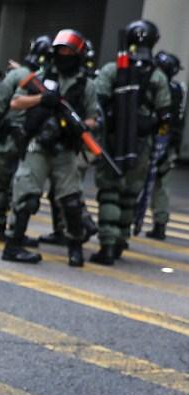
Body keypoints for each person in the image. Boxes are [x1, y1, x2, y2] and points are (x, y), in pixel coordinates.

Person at [0, 30, 98, 268]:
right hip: (38, 145)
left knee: (71, 201)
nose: (64, 56)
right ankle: (13, 245)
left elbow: (94, 118)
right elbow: (16, 102)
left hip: (65, 148)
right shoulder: (40, 77)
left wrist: (78, 126)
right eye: (60, 51)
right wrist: (42, 100)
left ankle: (75, 247)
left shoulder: (87, 85)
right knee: (26, 195)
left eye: (69, 52)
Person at [91, 19, 173, 265]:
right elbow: (166, 115)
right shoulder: (157, 76)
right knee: (129, 196)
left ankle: (107, 244)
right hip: (142, 146)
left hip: (113, 143)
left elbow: (97, 104)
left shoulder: (112, 69)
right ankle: (119, 242)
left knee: (110, 195)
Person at [0, 35, 49, 242]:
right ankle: (14, 231)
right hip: (26, 141)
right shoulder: (42, 78)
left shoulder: (17, 74)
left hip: (3, 138)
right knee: (20, 186)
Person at [147, 51, 184, 241]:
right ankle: (160, 223)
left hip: (152, 140)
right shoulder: (178, 89)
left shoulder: (156, 86)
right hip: (168, 143)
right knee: (162, 184)